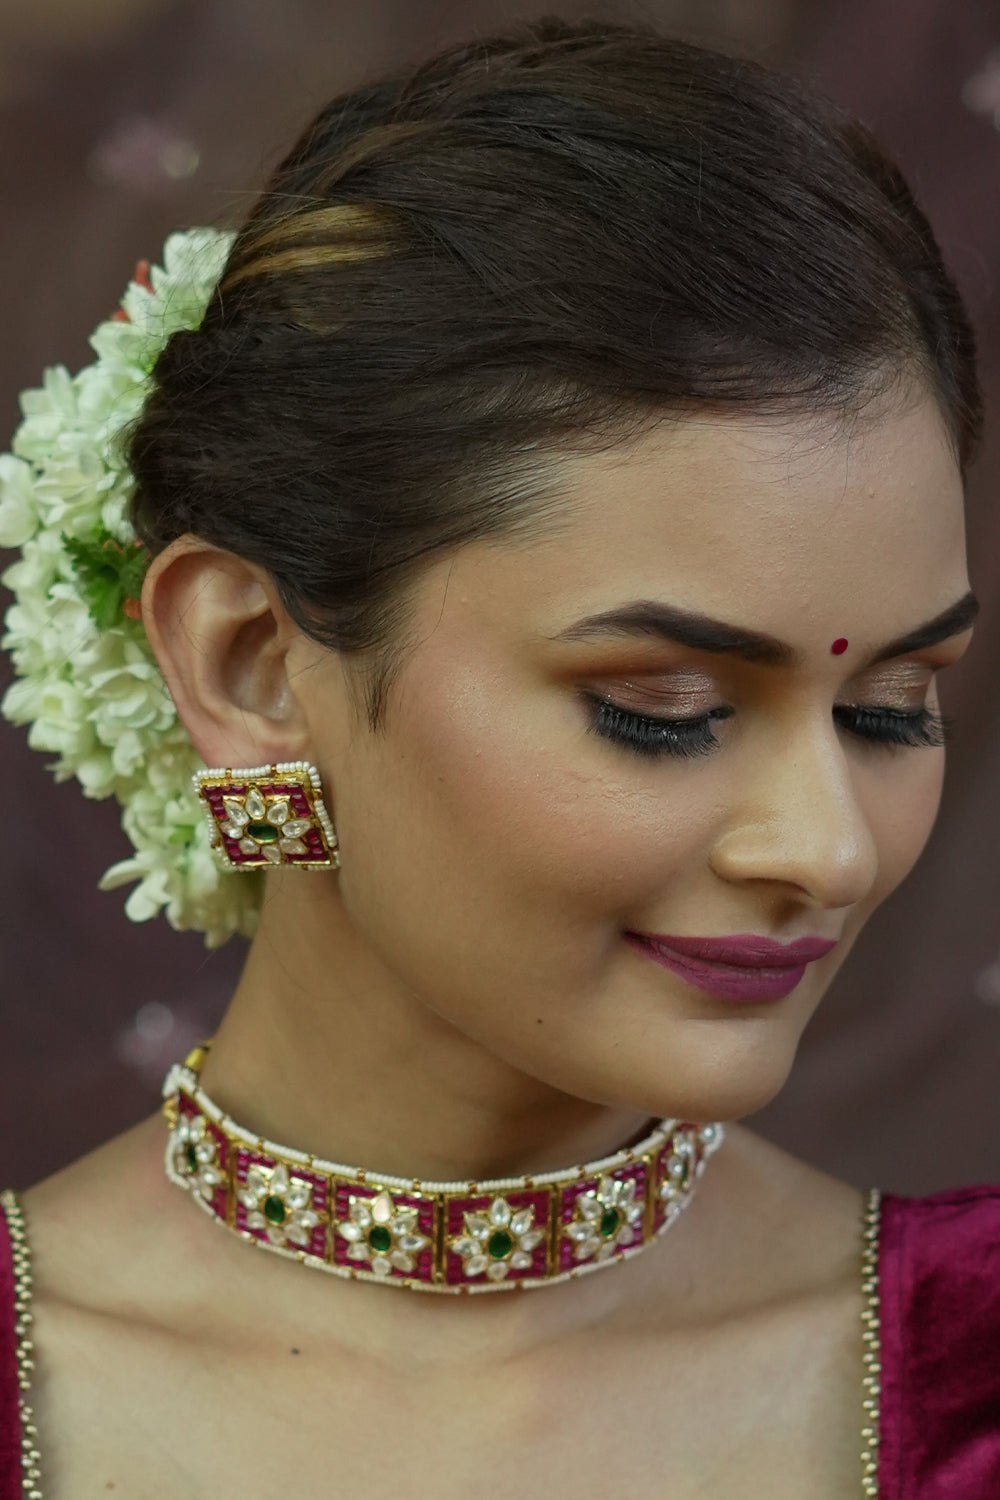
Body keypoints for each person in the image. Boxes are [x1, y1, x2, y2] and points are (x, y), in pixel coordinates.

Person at [1, 17, 998, 1498]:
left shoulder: (964, 1369)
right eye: (663, 704)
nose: (830, 850)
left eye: (894, 706)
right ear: (253, 666)